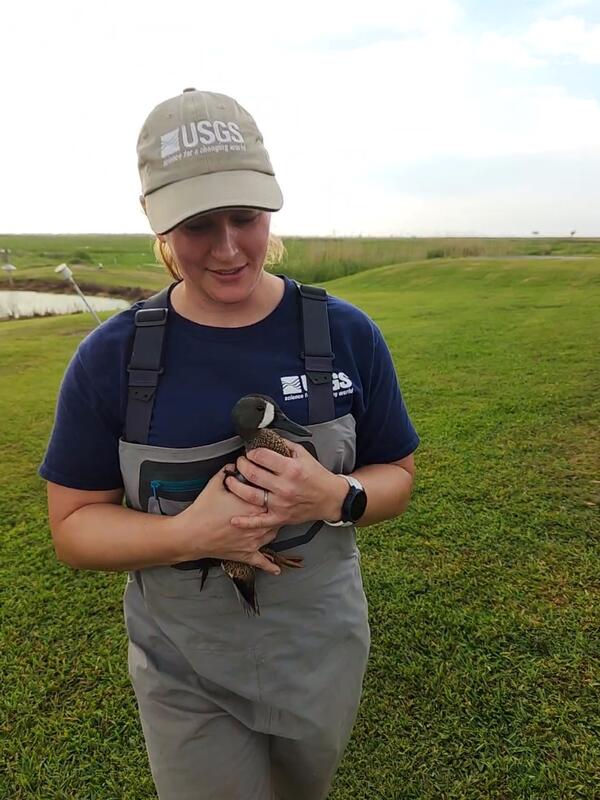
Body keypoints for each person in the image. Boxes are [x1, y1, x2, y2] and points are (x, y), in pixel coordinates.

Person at [39, 88, 420, 800]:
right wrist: (190, 533)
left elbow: (395, 473)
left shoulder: (347, 335)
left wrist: (337, 494)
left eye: (243, 218)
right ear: (159, 224)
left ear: (268, 210)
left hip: (321, 654)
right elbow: (73, 529)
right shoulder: (110, 358)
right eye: (195, 223)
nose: (225, 247)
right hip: (185, 663)